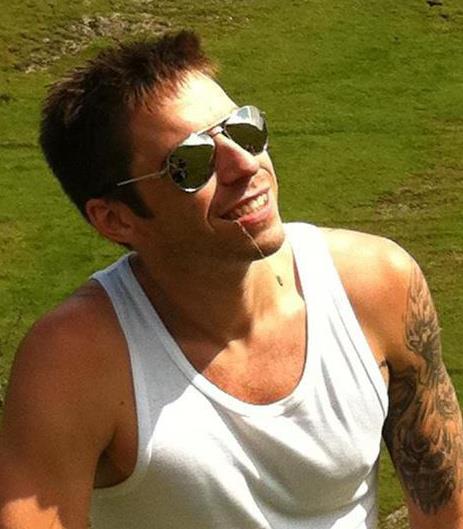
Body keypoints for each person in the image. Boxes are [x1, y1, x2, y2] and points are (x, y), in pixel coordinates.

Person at [0, 29, 462, 529]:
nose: (246, 164)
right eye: (191, 162)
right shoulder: (73, 361)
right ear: (115, 219)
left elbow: (446, 511)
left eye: (243, 129)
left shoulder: (377, 286)